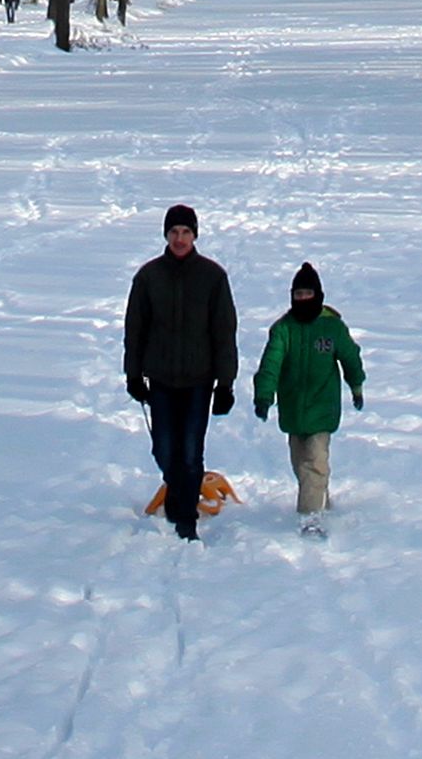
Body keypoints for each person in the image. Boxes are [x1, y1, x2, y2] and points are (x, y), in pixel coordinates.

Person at [122, 205, 240, 540]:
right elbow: (135, 329)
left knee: (190, 451)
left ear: (195, 235)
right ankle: (180, 494)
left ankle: (185, 518)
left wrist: (225, 383)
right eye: (174, 232)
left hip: (199, 380)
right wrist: (134, 374)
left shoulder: (212, 277)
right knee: (163, 448)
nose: (179, 238)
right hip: (160, 378)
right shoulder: (148, 277)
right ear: (166, 235)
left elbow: (224, 332)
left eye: (186, 232)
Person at [253, 266, 366, 526]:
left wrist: (356, 386)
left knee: (314, 460)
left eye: (308, 293)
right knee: (300, 463)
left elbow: (350, 357)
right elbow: (271, 363)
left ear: (318, 295)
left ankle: (310, 518)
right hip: (293, 408)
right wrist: (264, 396)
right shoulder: (284, 329)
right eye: (298, 294)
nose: (303, 298)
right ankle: (320, 498)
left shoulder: (332, 327)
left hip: (322, 407)